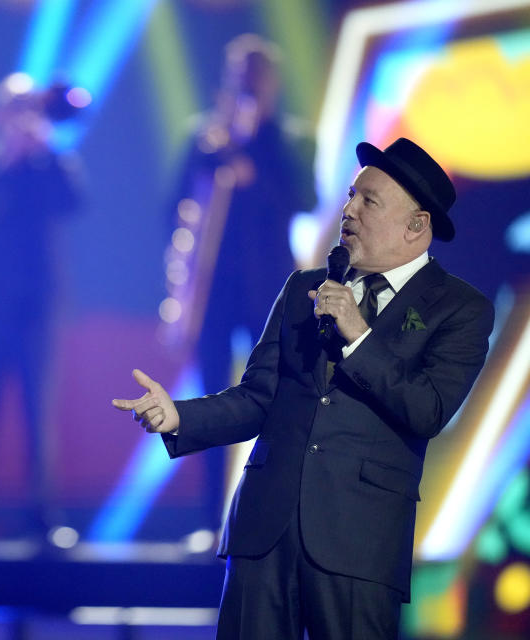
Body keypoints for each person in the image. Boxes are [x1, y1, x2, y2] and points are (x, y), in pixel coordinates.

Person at [114, 137, 493, 639]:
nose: (349, 209)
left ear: (416, 225)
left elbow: (428, 409)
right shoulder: (304, 287)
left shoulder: (458, 309)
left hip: (358, 544)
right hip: (264, 532)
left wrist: (358, 335)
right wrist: (180, 416)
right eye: (351, 195)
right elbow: (257, 398)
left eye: (368, 200)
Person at [163, 34, 316, 533]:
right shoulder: (205, 137)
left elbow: (308, 200)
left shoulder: (289, 139)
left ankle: (270, 515)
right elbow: (171, 207)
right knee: (209, 403)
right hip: (212, 292)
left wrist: (255, 170)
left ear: (271, 84)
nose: (247, 87)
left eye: (256, 77)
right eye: (239, 77)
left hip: (270, 293)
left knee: (274, 400)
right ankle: (212, 518)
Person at [0, 73, 82, 542]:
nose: (25, 116)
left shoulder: (51, 162)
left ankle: (43, 520)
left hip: (38, 308)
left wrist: (43, 152)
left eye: (31, 107)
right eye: (15, 107)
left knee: (38, 416)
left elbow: (74, 203)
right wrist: (12, 156)